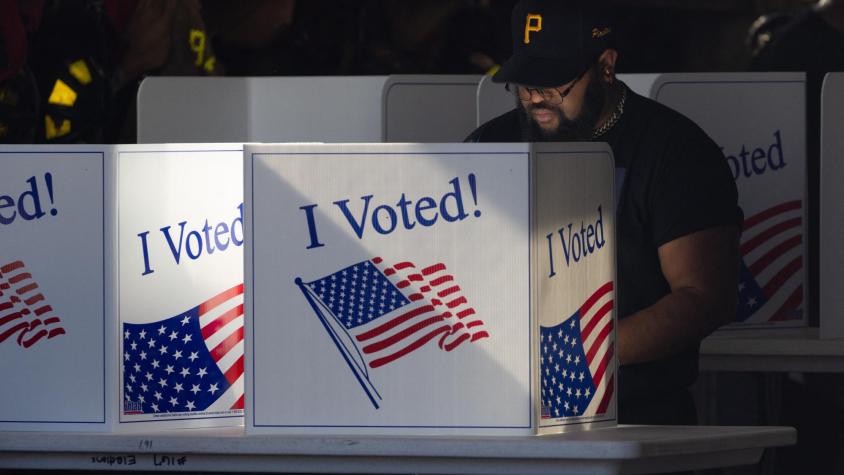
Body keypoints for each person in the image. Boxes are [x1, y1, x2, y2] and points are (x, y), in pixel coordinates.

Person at [467, 0, 742, 425]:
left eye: (555, 82)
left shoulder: (674, 150)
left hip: (635, 413)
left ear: (606, 65)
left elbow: (705, 296)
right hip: (502, 407)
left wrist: (575, 357)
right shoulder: (488, 144)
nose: (536, 97)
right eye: (524, 82)